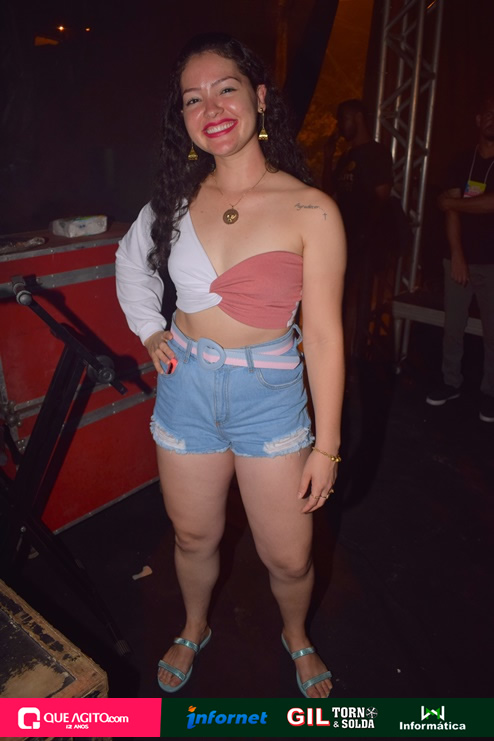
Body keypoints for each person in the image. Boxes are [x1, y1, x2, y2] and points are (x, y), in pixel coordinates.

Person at [115, 32, 346, 698]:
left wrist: (326, 448)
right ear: (183, 117)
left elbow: (323, 336)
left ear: (260, 98)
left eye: (226, 89)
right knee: (193, 536)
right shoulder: (174, 198)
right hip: (185, 388)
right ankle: (194, 625)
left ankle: (296, 633)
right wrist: (150, 329)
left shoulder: (311, 209)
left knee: (290, 556)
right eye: (193, 98)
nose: (211, 107)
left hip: (268, 395)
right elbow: (130, 262)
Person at [426, 94, 494, 423]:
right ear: (478, 120)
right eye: (489, 113)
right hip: (459, 259)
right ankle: (450, 382)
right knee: (452, 326)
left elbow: (488, 204)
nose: (493, 119)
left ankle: (490, 393)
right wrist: (457, 255)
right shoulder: (461, 160)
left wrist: (452, 202)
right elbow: (451, 211)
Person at [322, 99, 394, 360]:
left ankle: (354, 358)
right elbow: (328, 191)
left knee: (356, 297)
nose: (340, 126)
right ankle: (339, 352)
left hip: (366, 239)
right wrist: (328, 157)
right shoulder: (347, 156)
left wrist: (366, 233)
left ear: (358, 118)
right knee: (341, 297)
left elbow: (382, 197)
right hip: (345, 238)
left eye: (344, 119)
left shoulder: (375, 153)